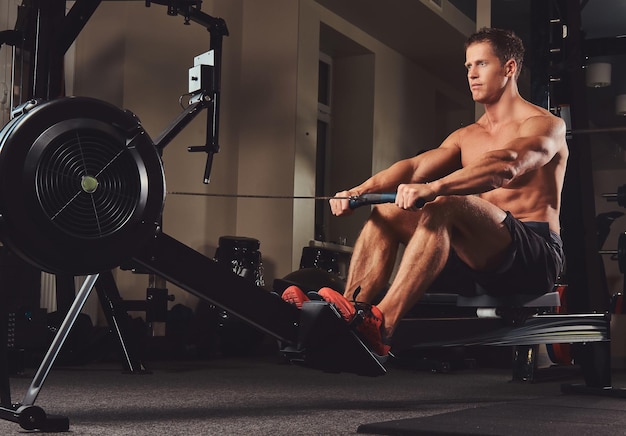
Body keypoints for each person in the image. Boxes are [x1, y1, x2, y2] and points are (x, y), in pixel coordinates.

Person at [282, 27, 567, 357]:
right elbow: (413, 168)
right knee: (388, 211)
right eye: (468, 67)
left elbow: (507, 164)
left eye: (482, 64)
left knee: (446, 203)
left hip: (533, 260)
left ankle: (382, 325)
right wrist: (357, 192)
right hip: (474, 261)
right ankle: (350, 314)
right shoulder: (467, 135)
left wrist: (434, 188)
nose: (472, 74)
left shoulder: (544, 125)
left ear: (509, 67)